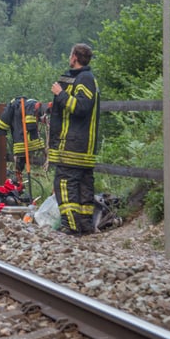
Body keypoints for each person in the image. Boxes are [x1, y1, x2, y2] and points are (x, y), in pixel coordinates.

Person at [49, 43, 101, 235]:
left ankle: (70, 225)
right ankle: (86, 225)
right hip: (82, 147)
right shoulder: (82, 78)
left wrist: (60, 94)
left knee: (64, 184)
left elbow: (81, 107)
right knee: (83, 185)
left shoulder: (84, 79)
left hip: (73, 146)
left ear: (74, 58)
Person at [0, 95, 47, 180]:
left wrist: (2, 132)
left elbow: (2, 124)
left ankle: (18, 180)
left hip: (19, 143)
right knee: (41, 158)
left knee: (20, 162)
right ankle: (19, 180)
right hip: (35, 142)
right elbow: (33, 124)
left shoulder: (13, 105)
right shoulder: (31, 104)